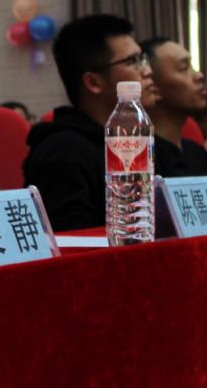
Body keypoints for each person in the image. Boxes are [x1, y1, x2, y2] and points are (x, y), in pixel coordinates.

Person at [24, 15, 154, 231]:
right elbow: (71, 243)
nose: (147, 70)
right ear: (93, 82)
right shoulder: (63, 152)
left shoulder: (138, 142)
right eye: (132, 61)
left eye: (143, 58)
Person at [142, 37, 207, 208]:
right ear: (154, 87)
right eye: (184, 68)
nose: (199, 76)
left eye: (193, 67)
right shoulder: (143, 159)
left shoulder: (198, 153)